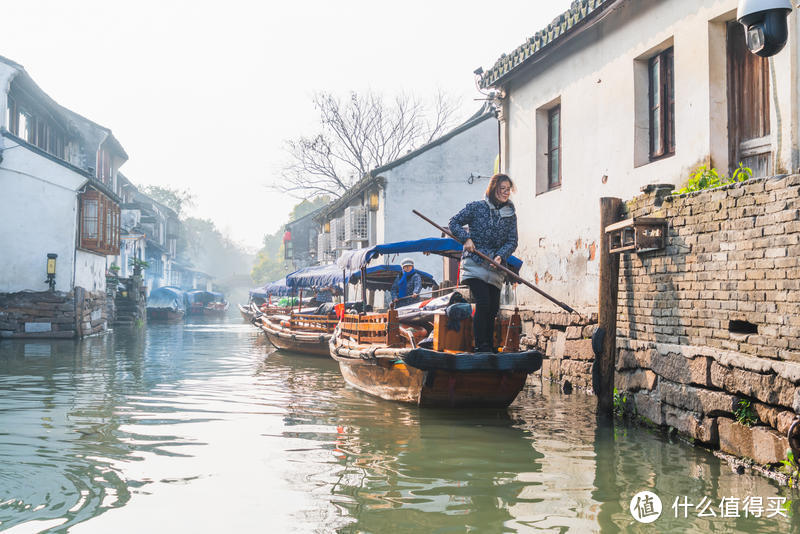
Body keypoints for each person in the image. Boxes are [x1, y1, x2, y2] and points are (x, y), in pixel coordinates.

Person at [448, 173, 518, 353]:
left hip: (495, 266)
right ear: (494, 189)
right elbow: (453, 223)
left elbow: (512, 241)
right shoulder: (476, 207)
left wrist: (501, 256)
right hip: (475, 264)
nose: (505, 193)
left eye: (508, 189)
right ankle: (481, 345)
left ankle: (490, 345)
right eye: (502, 189)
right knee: (484, 302)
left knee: (494, 307)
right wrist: (466, 239)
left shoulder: (510, 215)